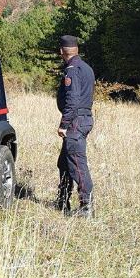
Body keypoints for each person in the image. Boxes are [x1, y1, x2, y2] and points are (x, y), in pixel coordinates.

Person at [55, 35, 96, 217]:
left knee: (77, 164)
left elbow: (73, 99)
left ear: (61, 52)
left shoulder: (72, 70)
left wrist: (64, 124)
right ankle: (62, 200)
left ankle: (86, 206)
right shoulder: (86, 68)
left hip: (75, 122)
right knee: (64, 163)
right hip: (83, 118)